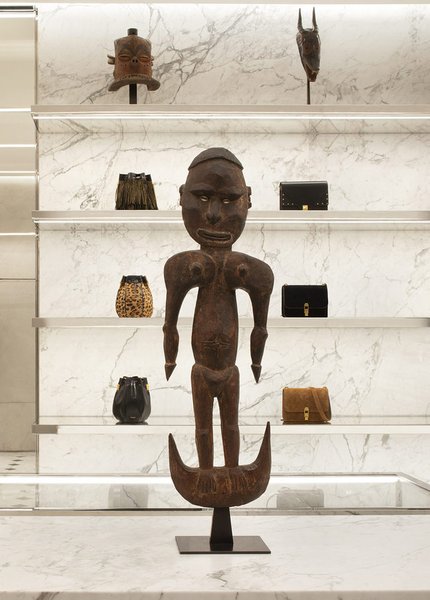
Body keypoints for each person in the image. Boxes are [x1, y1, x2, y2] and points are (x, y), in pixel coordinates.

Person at [163, 147, 274, 472]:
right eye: (201, 198)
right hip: (200, 370)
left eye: (228, 200)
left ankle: (232, 472)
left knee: (230, 426)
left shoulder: (253, 271)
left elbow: (261, 327)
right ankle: (207, 473)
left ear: (248, 200)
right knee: (204, 428)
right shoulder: (182, 267)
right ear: (181, 196)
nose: (213, 214)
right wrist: (170, 359)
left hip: (230, 371)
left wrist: (255, 362)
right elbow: (170, 324)